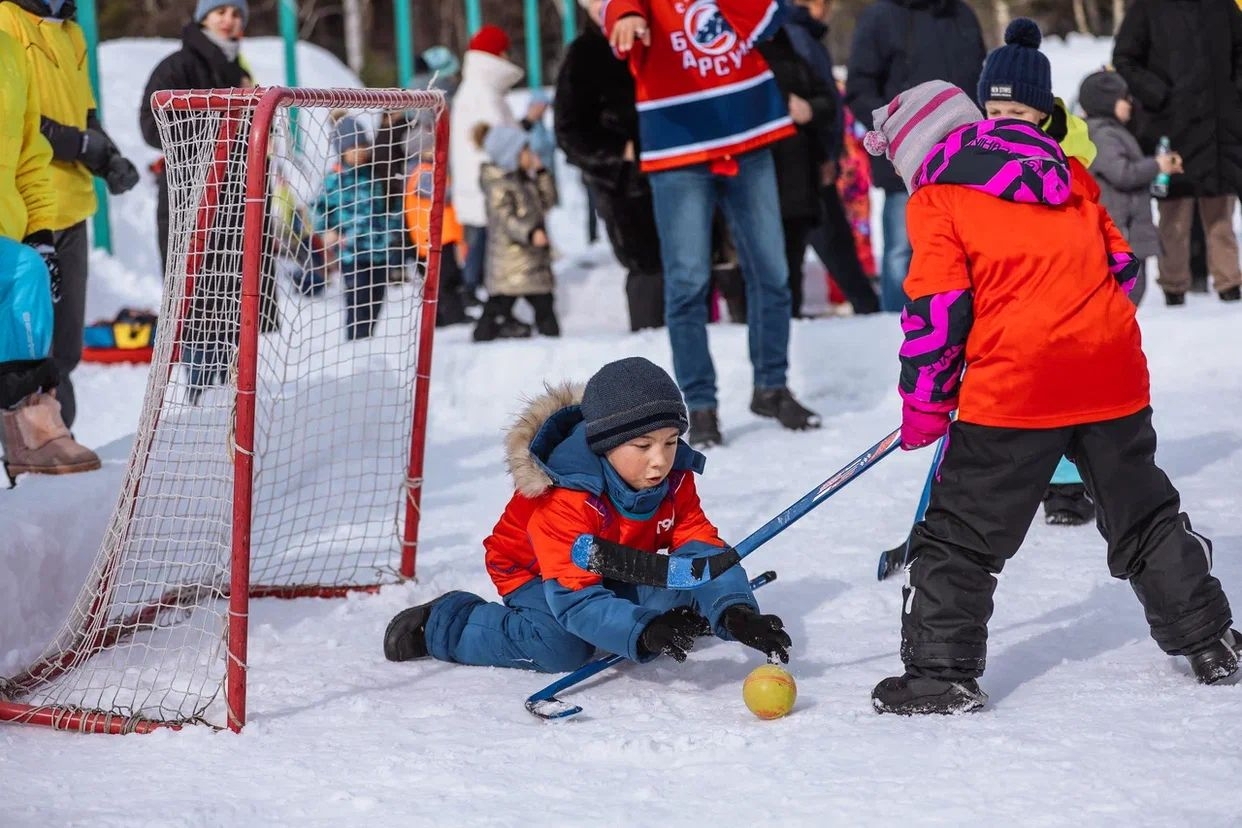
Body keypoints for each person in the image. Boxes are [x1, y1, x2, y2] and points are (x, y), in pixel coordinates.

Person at [861, 81, 1239, 715]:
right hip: (1109, 374)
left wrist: (925, 401)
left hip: (1016, 386)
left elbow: (937, 310)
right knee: (1142, 514)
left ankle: (940, 675)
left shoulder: (938, 198)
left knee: (960, 534)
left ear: (919, 149)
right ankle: (1210, 640)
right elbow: (1121, 263)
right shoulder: (1064, 171)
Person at [382, 356, 791, 673]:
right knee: (562, 646)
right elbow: (576, 601)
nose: (659, 461)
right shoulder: (567, 498)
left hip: (615, 561)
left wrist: (736, 613)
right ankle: (448, 622)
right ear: (605, 445)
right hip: (537, 573)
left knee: (686, 587)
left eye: (670, 442)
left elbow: (700, 551)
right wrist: (643, 630)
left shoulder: (675, 477)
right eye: (643, 446)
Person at [603, 0, 820, 448]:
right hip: (678, 140)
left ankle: (771, 387)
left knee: (773, 273)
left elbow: (772, 12)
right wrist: (624, 13)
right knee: (687, 283)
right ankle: (700, 405)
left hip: (746, 128)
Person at [976, 18, 1105, 528]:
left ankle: (1069, 488)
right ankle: (1018, 480)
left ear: (1043, 109)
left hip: (1063, 287)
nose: (1004, 121)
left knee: (1066, 392)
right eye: (994, 111)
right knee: (1015, 394)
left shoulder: (1069, 148)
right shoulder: (980, 145)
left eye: (1016, 112)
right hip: (1006, 290)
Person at [0, 0, 140, 431]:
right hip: (24, 211)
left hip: (70, 209)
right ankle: (34, 443)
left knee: (65, 349)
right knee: (25, 351)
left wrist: (107, 156)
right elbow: (25, 124)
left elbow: (85, 114)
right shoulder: (8, 19)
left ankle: (49, 444)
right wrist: (80, 145)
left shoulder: (72, 31)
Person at [0, 28, 99, 481]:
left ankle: (30, 432)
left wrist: (40, 230)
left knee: (28, 273)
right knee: (24, 273)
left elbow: (27, 155)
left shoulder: (8, 50)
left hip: (9, 231)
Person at [844, 0, 985, 313]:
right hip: (906, 161)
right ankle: (895, 323)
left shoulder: (961, 14)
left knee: (967, 245)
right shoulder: (880, 17)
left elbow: (980, 79)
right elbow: (859, 88)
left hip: (967, 158)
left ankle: (960, 324)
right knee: (902, 248)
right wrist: (895, 131)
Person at [1113, 0, 1242, 305]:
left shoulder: (1222, 6)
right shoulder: (1147, 8)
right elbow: (1125, 58)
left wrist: (1235, 91)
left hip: (1219, 124)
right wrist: (1157, 94)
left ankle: (1229, 281)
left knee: (1220, 211)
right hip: (1170, 124)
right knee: (1174, 213)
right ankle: (1174, 284)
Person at [553, 0, 664, 331]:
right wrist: (620, 152)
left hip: (677, 172)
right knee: (649, 270)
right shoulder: (585, 54)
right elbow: (568, 131)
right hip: (627, 187)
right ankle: (647, 354)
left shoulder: (657, 36)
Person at [139, 0, 253, 275]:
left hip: (237, 202)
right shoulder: (176, 67)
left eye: (237, 14)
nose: (229, 19)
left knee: (244, 304)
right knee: (193, 306)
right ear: (204, 18)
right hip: (188, 203)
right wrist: (220, 126)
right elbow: (151, 126)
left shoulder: (240, 74)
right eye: (220, 11)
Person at [785, 0, 879, 316]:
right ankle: (866, 312)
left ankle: (863, 308)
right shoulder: (796, 36)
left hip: (812, 160)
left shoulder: (805, 35)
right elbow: (812, 102)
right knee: (829, 247)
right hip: (807, 164)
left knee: (828, 247)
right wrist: (823, 153)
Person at [449, 24, 546, 310]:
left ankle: (488, 301)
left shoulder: (478, 90)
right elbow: (498, 142)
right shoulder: (483, 95)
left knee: (486, 246)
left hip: (482, 185)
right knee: (490, 249)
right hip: (492, 186)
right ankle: (484, 303)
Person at [1079, 68, 1177, 307]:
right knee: (1126, 294)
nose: (1130, 104)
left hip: (1129, 228)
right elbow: (1122, 173)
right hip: (1123, 229)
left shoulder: (1112, 131)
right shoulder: (1102, 134)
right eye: (1125, 98)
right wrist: (1157, 165)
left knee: (1134, 291)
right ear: (1107, 101)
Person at [756, 26, 836, 318]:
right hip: (751, 179)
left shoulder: (789, 47)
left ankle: (789, 320)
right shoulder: (729, 48)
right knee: (756, 267)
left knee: (790, 261)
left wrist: (810, 110)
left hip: (796, 178)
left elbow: (827, 101)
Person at [313, 117, 403, 341]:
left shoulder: (375, 175)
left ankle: (366, 342)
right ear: (342, 150)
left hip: (380, 250)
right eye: (354, 147)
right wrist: (328, 232)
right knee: (358, 301)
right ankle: (355, 342)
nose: (360, 152)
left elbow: (389, 207)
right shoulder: (335, 179)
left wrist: (391, 230)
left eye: (363, 146)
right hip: (352, 252)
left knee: (376, 301)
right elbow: (318, 209)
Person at [472, 124, 560, 341]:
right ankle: (481, 341)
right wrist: (530, 233)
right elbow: (504, 219)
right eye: (526, 151)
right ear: (511, 154)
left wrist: (541, 174)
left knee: (545, 306)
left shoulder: (525, 181)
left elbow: (547, 201)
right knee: (498, 305)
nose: (531, 155)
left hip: (532, 260)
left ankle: (553, 345)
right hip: (510, 262)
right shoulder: (498, 186)